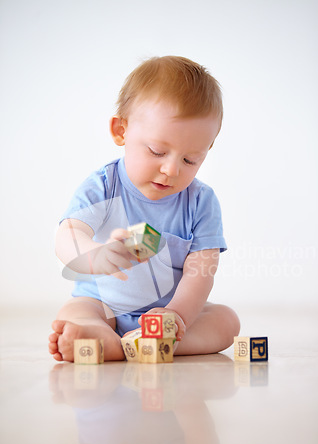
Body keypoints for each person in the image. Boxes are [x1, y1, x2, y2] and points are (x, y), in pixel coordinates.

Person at [48, 55, 240, 362]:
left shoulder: (201, 201)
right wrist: (94, 256)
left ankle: (146, 343)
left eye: (190, 159)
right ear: (121, 131)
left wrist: (176, 315)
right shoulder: (103, 185)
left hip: (168, 312)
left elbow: (201, 271)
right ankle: (105, 337)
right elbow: (67, 236)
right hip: (103, 305)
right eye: (157, 151)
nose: (171, 169)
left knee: (227, 322)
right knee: (76, 312)